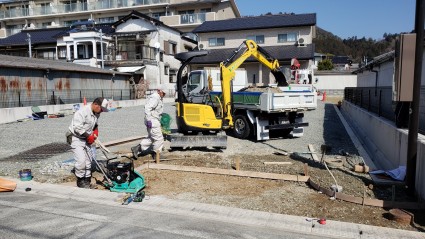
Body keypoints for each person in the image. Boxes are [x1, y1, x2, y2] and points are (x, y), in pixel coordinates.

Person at [68, 97, 109, 188]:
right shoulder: (82, 112)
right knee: (81, 160)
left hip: (86, 138)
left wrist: (95, 131)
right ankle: (80, 181)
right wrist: (88, 136)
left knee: (88, 161)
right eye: (101, 109)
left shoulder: (96, 112)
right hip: (76, 138)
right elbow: (77, 127)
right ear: (95, 104)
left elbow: (95, 124)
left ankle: (87, 180)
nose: (101, 111)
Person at [132, 85, 166, 159]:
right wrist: (149, 119)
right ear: (159, 91)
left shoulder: (158, 97)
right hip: (152, 120)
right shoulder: (155, 97)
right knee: (159, 138)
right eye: (163, 93)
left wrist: (160, 114)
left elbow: (154, 109)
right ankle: (157, 154)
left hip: (153, 119)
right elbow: (147, 108)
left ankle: (137, 148)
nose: (164, 95)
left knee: (152, 137)